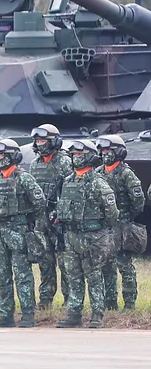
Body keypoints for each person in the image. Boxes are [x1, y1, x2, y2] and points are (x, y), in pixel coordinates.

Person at [55, 139, 120, 329]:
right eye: (74, 154)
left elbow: (112, 213)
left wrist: (98, 229)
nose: (76, 158)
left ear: (90, 157)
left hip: (93, 236)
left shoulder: (99, 183)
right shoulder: (67, 181)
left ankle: (97, 314)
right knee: (73, 276)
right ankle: (73, 314)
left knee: (94, 276)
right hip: (71, 236)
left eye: (80, 154)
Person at [0, 139, 45, 328]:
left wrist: (28, 223)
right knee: (1, 274)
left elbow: (40, 202)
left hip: (18, 231)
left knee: (23, 275)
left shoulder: (24, 178)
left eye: (2, 155)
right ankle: (5, 314)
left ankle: (28, 314)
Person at [97, 135, 143, 310]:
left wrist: (126, 217)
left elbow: (138, 200)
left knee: (124, 265)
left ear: (119, 152)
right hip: (104, 227)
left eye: (108, 150)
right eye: (103, 150)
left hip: (122, 226)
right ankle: (110, 303)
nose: (105, 153)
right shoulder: (99, 172)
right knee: (106, 266)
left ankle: (129, 303)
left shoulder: (126, 173)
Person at [27, 124, 70, 309]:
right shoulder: (34, 163)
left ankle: (70, 300)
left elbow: (70, 192)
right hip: (40, 218)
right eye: (37, 140)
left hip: (59, 219)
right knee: (45, 261)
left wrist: (60, 212)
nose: (40, 144)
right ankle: (45, 300)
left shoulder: (66, 162)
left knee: (64, 262)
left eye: (43, 140)